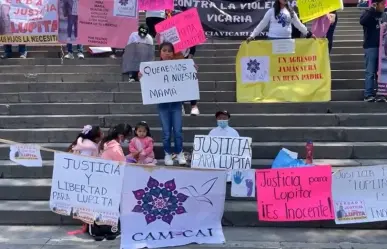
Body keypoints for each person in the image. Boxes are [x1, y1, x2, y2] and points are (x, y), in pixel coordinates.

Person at [138, 42, 191, 166]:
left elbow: (187, 79)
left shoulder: (179, 66)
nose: (167, 53)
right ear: (160, 52)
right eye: (164, 50)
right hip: (163, 105)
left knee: (178, 131)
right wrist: (141, 76)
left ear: (173, 53)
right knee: (166, 132)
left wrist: (192, 71)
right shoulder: (153, 68)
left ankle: (179, 152)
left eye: (169, 51)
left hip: (176, 104)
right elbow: (148, 82)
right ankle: (167, 153)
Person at [246, 0, 315, 41]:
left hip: (287, 40)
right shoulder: (271, 11)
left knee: (284, 64)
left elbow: (298, 24)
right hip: (273, 40)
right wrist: (252, 35)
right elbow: (262, 24)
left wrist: (308, 34)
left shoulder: (291, 12)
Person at [360, 0, 387, 102]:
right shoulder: (367, 13)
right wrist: (372, 10)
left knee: (381, 73)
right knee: (370, 72)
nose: (384, 6)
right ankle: (368, 94)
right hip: (371, 46)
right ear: (376, 4)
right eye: (382, 4)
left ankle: (381, 93)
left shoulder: (384, 15)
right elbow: (362, 22)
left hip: (383, 48)